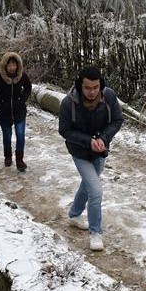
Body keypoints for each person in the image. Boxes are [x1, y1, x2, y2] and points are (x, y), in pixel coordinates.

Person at [58, 66, 123, 251]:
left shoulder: (108, 96)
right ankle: (96, 232)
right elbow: (64, 130)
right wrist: (89, 141)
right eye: (87, 87)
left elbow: (117, 120)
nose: (92, 92)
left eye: (96, 87)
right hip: (79, 152)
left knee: (88, 184)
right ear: (80, 86)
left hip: (100, 151)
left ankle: (74, 214)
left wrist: (103, 138)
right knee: (95, 190)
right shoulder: (68, 103)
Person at [0, 52, 32, 171]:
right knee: (7, 136)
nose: (12, 67)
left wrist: (22, 100)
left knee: (20, 136)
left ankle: (19, 160)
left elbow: (28, 88)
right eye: (9, 65)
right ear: (4, 66)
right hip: (4, 114)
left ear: (18, 65)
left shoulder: (22, 77)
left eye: (14, 64)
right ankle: (8, 156)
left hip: (19, 112)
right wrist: (0, 104)